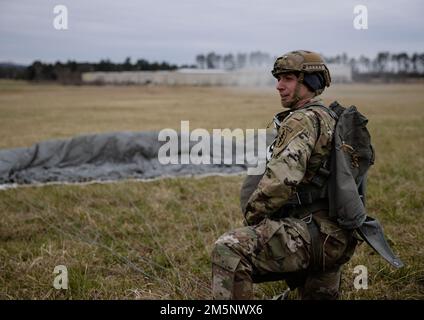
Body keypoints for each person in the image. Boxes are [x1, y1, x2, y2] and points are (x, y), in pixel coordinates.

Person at [211, 50, 359, 300]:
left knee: (229, 249)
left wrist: (254, 216)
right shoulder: (329, 116)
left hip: (311, 236)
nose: (279, 86)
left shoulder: (301, 120)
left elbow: (282, 180)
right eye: (278, 79)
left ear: (310, 82)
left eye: (288, 79)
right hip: (335, 238)